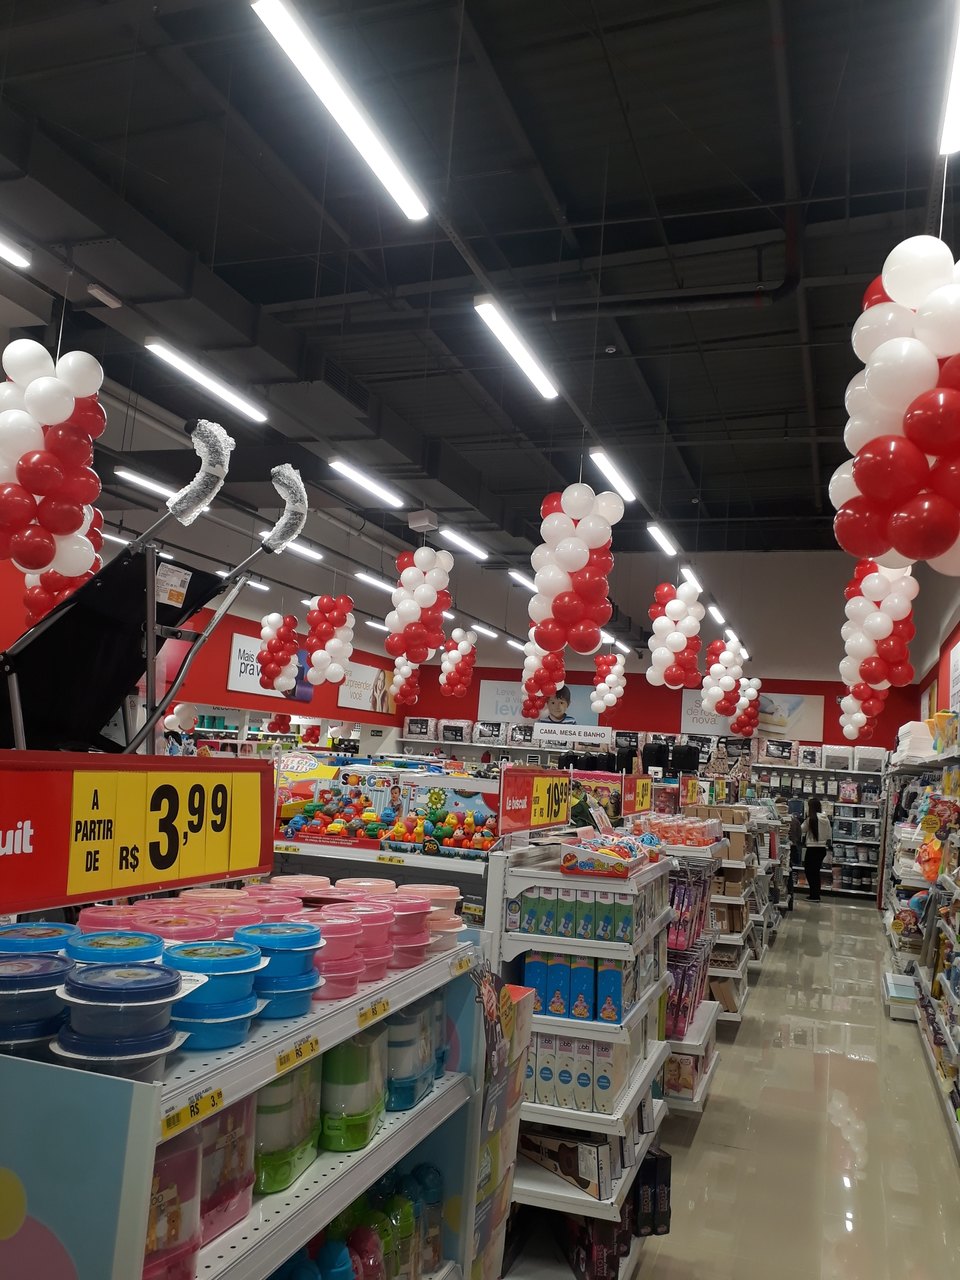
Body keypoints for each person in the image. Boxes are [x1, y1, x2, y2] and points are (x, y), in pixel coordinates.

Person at [802, 797, 832, 901]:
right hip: (821, 849)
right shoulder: (826, 819)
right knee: (815, 872)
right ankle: (815, 895)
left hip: (812, 848)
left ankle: (814, 895)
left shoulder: (810, 819)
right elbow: (829, 833)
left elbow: (802, 829)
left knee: (809, 872)